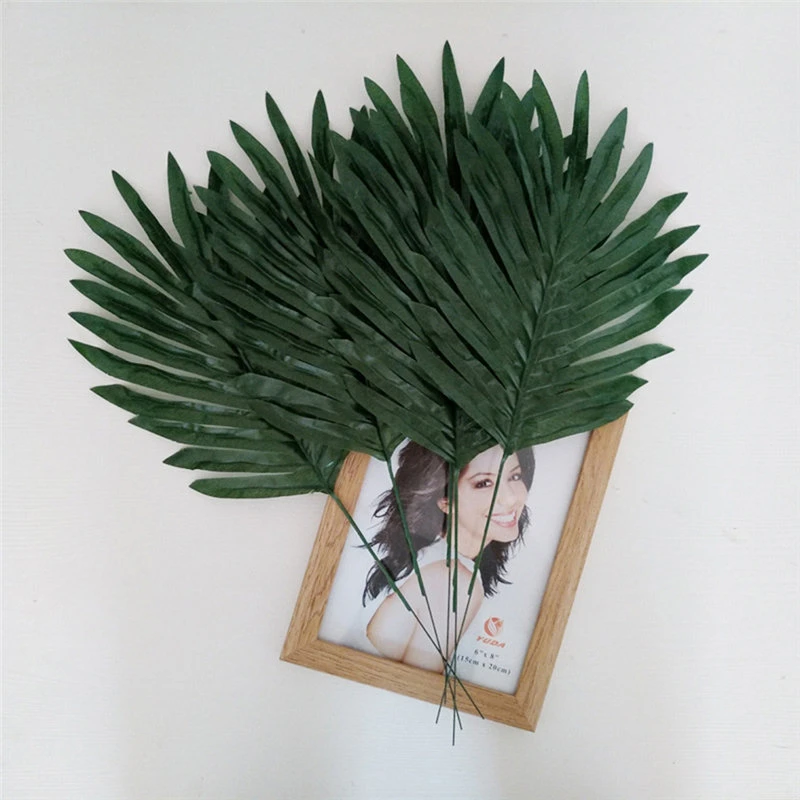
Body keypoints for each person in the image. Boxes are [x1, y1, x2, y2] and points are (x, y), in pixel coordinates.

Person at [362, 442, 535, 671]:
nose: (511, 498)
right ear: (445, 501)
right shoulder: (453, 580)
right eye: (484, 483)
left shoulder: (433, 559)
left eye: (515, 477)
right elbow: (416, 685)